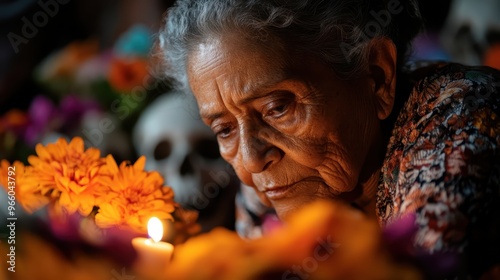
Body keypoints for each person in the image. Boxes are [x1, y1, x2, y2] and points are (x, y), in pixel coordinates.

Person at [156, 0, 500, 277]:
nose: (250, 160)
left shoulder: (461, 116)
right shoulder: (271, 184)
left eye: (277, 108)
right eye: (224, 129)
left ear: (376, 77)